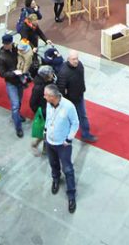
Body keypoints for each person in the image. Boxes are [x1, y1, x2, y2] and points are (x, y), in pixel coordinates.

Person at [42, 84, 80, 214]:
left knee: (68, 169)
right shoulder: (49, 104)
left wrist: (69, 139)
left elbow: (75, 123)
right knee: (53, 163)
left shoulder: (68, 106)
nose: (44, 97)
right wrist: (45, 131)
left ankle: (71, 195)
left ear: (53, 96)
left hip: (63, 144)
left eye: (46, 95)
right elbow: (48, 118)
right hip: (50, 141)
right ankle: (56, 179)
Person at [57, 50, 97, 143]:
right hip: (70, 99)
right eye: (73, 59)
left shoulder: (80, 65)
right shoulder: (63, 72)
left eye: (77, 58)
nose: (76, 61)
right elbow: (61, 89)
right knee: (70, 117)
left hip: (79, 95)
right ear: (68, 59)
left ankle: (85, 134)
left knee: (82, 116)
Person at [0, 33, 28, 137]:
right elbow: (1, 73)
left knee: (19, 101)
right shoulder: (1, 57)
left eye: (8, 43)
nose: (7, 45)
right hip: (11, 83)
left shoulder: (16, 50)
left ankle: (17, 115)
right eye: (5, 44)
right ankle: (18, 127)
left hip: (19, 81)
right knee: (15, 105)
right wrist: (14, 73)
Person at [28, 65, 55, 156]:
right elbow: (32, 103)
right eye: (51, 73)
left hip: (51, 110)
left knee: (47, 131)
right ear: (45, 76)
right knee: (46, 131)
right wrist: (42, 112)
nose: (52, 75)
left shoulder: (50, 82)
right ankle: (39, 146)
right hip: (45, 113)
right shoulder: (38, 88)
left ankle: (44, 147)